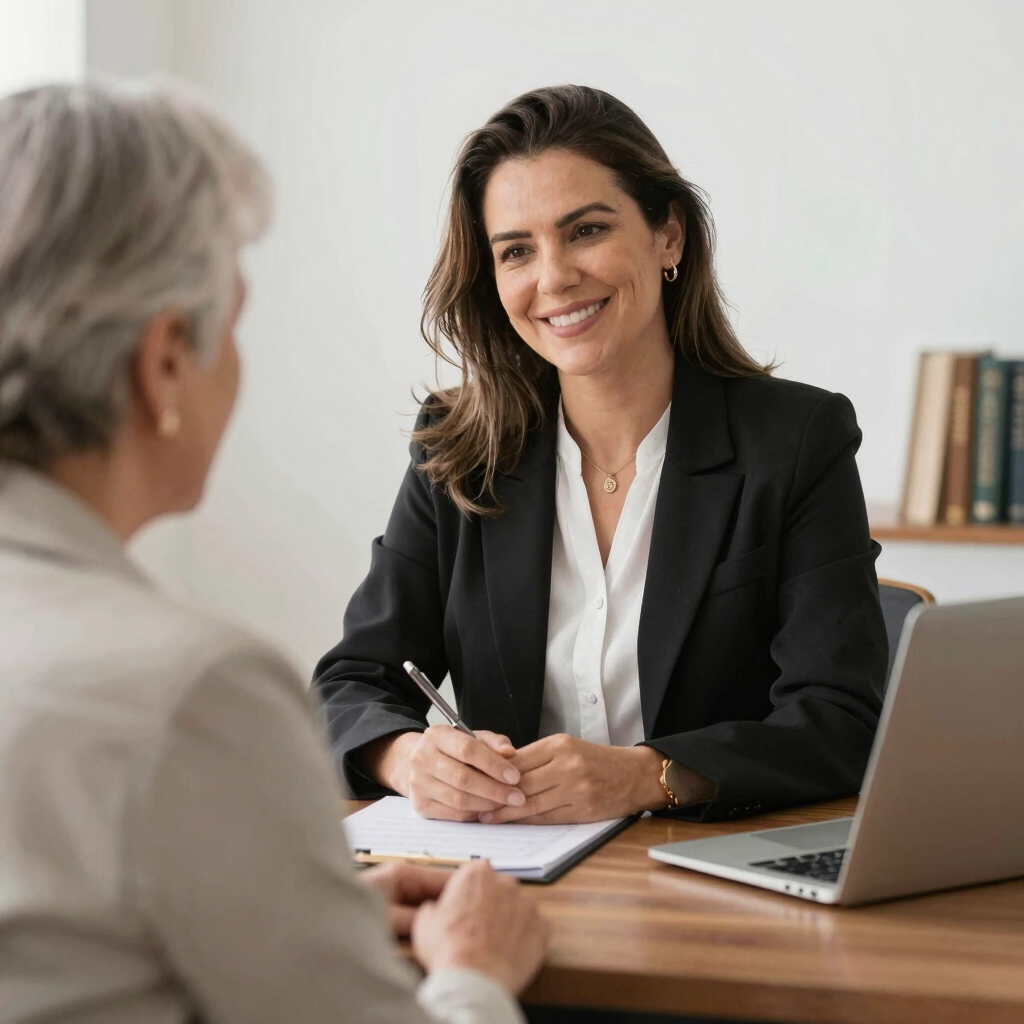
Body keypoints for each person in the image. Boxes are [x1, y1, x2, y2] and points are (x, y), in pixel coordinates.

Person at [0, 81, 545, 1024]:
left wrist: (303, 918)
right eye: (237, 320)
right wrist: (475, 972)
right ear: (167, 359)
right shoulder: (193, 689)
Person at [314, 84, 888, 827]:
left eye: (585, 231)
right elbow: (352, 682)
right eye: (517, 251)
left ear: (668, 235)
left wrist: (648, 777)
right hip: (515, 877)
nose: (552, 278)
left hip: (717, 885)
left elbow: (842, 718)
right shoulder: (457, 449)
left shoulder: (798, 439)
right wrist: (408, 759)